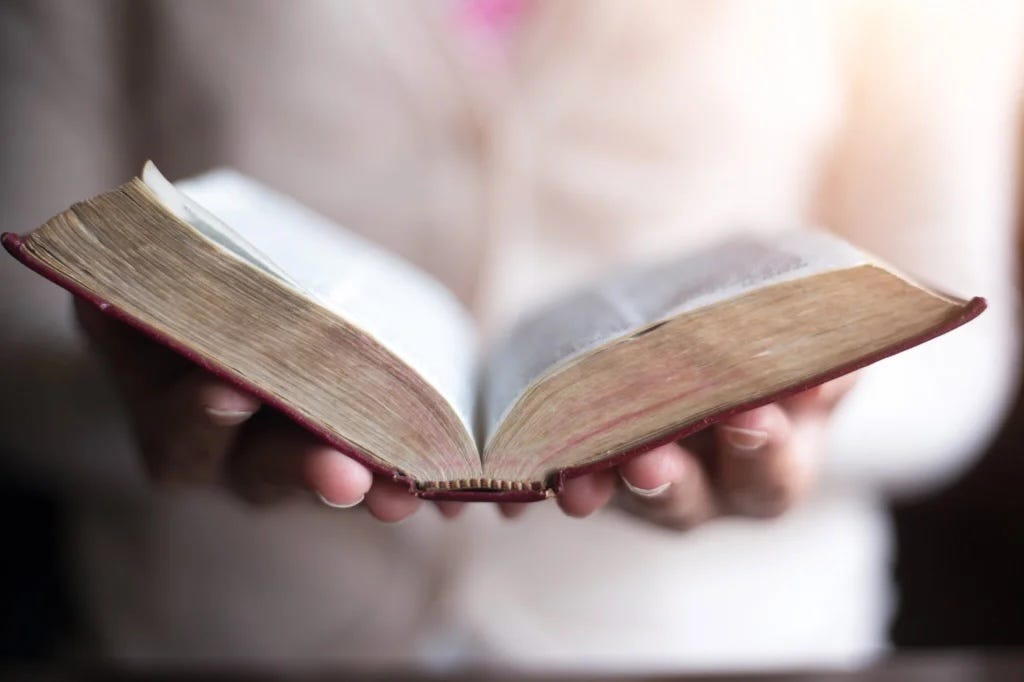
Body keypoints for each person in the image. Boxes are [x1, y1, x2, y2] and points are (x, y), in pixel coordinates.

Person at [1, 0, 1021, 672]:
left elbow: (954, 347)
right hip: (219, 644)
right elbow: (20, 321)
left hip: (732, 650)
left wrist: (791, 406)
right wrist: (168, 400)